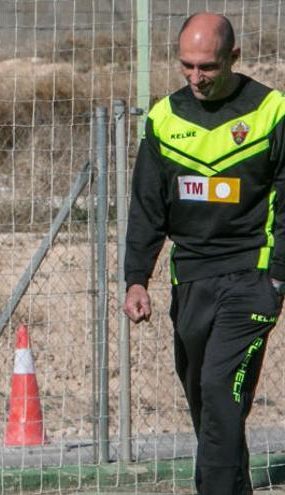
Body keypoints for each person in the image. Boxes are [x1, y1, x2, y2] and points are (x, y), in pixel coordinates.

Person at [124, 12, 285, 495]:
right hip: (191, 278)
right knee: (206, 399)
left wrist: (276, 278)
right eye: (186, 66)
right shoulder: (164, 117)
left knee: (219, 389)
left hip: (250, 276)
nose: (196, 78)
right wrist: (137, 277)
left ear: (234, 58)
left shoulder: (272, 112)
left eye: (208, 68)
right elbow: (147, 206)